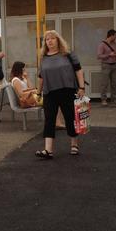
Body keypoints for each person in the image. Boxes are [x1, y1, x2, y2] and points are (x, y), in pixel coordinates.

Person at [35, 30, 86, 158]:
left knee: (70, 118)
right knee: (49, 120)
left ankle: (74, 145)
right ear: (45, 42)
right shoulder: (43, 57)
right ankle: (48, 150)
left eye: (52, 38)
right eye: (47, 39)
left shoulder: (68, 54)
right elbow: (41, 76)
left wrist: (81, 87)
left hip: (67, 90)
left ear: (58, 40)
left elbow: (79, 70)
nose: (50, 41)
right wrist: (38, 92)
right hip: (49, 92)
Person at [96, 29, 116, 105]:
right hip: (106, 65)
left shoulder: (114, 44)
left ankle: (114, 99)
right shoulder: (102, 44)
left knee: (114, 83)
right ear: (111, 36)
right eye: (115, 35)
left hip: (114, 65)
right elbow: (99, 56)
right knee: (104, 83)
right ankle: (103, 100)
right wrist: (109, 55)